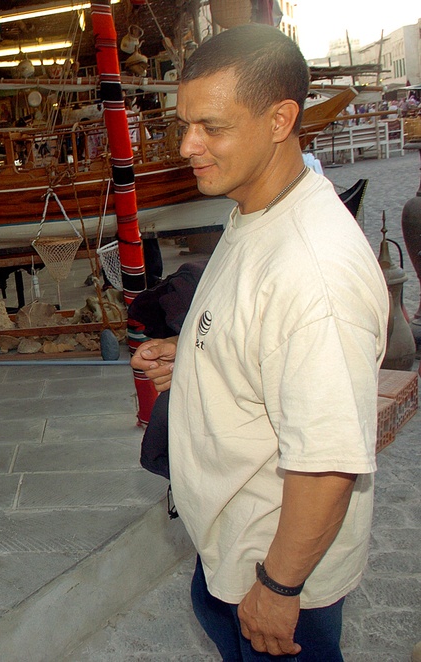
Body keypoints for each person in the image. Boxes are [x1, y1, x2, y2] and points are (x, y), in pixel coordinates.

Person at [130, 24, 387, 659]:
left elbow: (328, 461)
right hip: (231, 553)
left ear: (280, 120)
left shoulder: (313, 273)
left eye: (212, 127)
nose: (188, 145)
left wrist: (278, 586)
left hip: (274, 574)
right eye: (183, 123)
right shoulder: (255, 210)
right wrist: (194, 361)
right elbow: (259, 346)